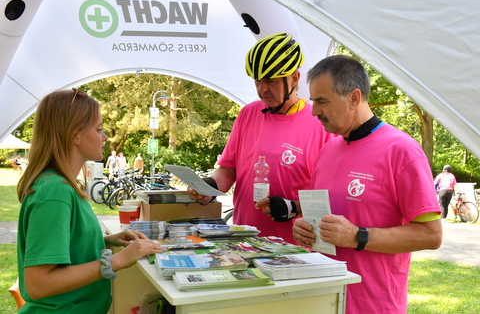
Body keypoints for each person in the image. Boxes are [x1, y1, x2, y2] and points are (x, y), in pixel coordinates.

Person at [287, 55, 442, 313]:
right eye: (314, 101)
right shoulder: (328, 150)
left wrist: (358, 236)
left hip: (374, 304)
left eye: (322, 101)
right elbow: (325, 214)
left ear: (354, 98)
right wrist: (303, 228)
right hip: (323, 299)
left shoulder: (401, 150)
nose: (314, 112)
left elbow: (432, 235)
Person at [16, 89, 165, 313]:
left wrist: (105, 239)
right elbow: (38, 284)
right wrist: (115, 261)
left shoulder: (60, 186)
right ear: (75, 135)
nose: (105, 137)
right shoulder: (54, 193)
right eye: (98, 129)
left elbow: (65, 245)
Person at [188, 33, 334, 243]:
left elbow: (331, 195)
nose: (262, 89)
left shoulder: (320, 124)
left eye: (271, 81)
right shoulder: (248, 113)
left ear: (294, 78)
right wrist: (209, 187)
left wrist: (293, 207)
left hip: (295, 249)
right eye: (258, 81)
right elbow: (229, 170)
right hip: (243, 240)